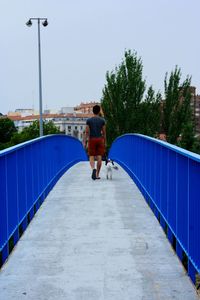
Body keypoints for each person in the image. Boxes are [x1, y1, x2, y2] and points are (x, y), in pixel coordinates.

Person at [83, 105, 106, 180]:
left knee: (91, 156)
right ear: (99, 111)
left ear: (93, 111)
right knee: (99, 157)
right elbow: (104, 132)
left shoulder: (89, 120)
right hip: (99, 139)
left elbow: (86, 132)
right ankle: (97, 175)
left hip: (92, 139)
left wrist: (85, 142)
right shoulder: (102, 120)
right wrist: (105, 142)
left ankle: (93, 168)